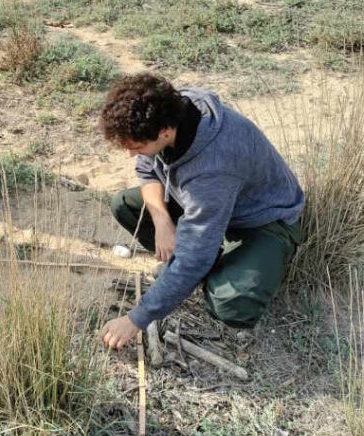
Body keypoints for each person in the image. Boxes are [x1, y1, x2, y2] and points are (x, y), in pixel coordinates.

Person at [99, 73, 304, 351]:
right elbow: (146, 170)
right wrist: (161, 220)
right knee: (125, 206)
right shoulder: (169, 108)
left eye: (136, 147)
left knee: (232, 305)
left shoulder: (214, 168)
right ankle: (205, 261)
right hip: (209, 207)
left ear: (165, 133)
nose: (130, 155)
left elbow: (193, 254)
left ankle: (224, 264)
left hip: (263, 221)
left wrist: (137, 318)